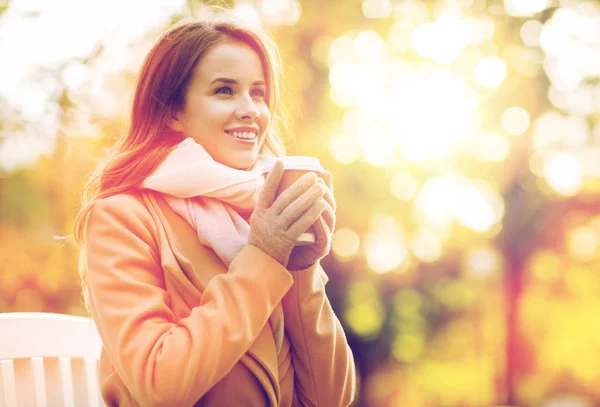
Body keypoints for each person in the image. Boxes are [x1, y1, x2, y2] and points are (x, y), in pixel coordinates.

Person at [73, 8, 356, 407]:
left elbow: (331, 399)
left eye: (257, 92)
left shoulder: (262, 212)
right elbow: (161, 384)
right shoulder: (123, 218)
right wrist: (262, 256)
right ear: (172, 111)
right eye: (225, 90)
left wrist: (301, 270)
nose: (251, 110)